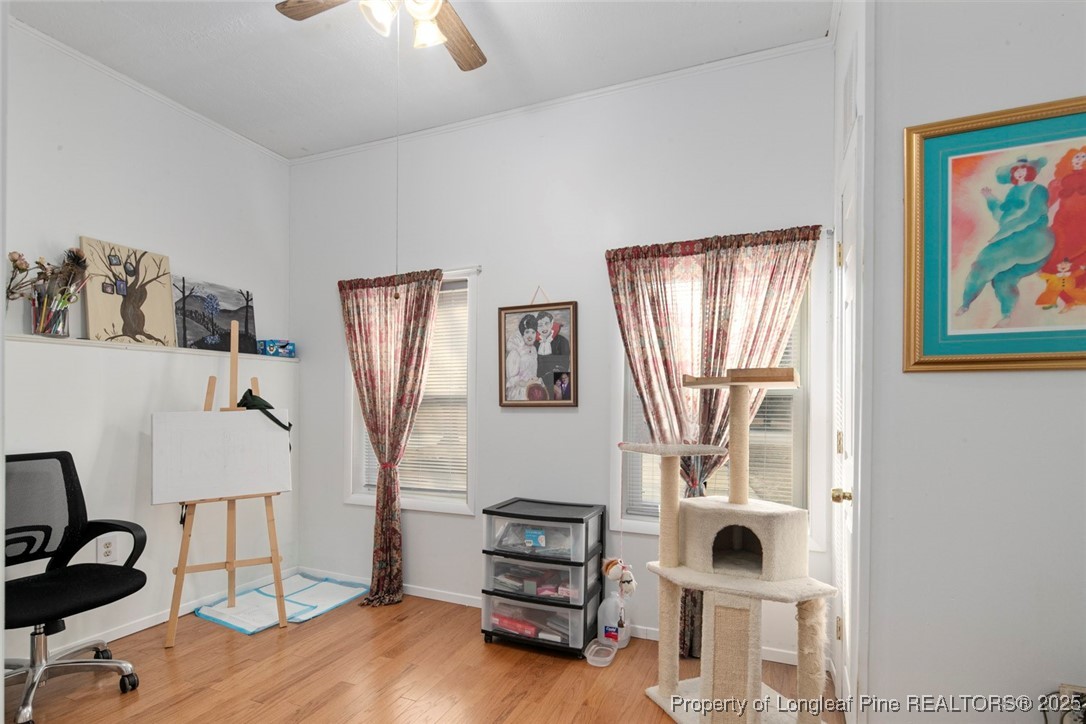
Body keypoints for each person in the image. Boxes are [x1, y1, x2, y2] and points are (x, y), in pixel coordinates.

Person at [956, 156, 1055, 328]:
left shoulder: (1037, 189)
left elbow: (1031, 215)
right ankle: (1005, 314)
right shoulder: (1012, 192)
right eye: (1016, 170)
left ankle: (966, 303)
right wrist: (990, 199)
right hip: (1013, 240)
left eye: (1023, 168)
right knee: (1002, 278)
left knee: (985, 262)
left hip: (1033, 239)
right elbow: (1002, 217)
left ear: (1030, 171)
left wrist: (1003, 233)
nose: (1020, 172)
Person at [1040, 146, 1086, 275]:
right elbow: (1049, 202)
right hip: (1064, 219)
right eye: (1077, 156)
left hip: (1083, 219)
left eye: (1083, 157)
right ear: (1070, 160)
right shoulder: (1060, 181)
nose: (1080, 159)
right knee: (1060, 245)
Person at [504, 314, 542, 401]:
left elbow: (532, 372)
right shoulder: (515, 351)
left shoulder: (534, 350)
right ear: (522, 333)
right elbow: (511, 380)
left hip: (532, 391)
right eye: (527, 332)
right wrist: (526, 383)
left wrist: (534, 380)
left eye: (533, 332)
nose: (530, 335)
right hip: (518, 393)